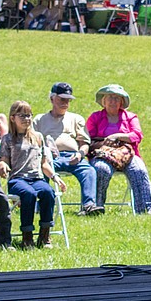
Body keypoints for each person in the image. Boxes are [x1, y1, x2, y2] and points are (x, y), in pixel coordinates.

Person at [0, 100, 65, 248]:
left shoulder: (38, 137)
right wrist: (3, 166)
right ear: (12, 118)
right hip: (17, 179)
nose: (26, 119)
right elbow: (3, 160)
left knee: (47, 192)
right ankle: (27, 236)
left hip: (37, 178)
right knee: (28, 194)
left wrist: (55, 177)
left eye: (29, 115)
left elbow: (44, 164)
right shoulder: (8, 139)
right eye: (22, 115)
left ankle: (45, 235)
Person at [32, 82, 102, 216]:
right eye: (62, 99)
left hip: (73, 157)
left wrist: (80, 154)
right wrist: (45, 153)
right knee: (41, 171)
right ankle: (42, 205)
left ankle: (88, 205)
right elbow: (33, 142)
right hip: (49, 158)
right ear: (52, 99)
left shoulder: (76, 119)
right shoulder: (39, 120)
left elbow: (84, 143)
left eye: (68, 100)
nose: (65, 103)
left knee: (89, 171)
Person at [86, 84, 151, 215]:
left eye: (117, 98)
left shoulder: (130, 117)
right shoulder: (95, 117)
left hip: (127, 154)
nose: (113, 101)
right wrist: (105, 142)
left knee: (139, 170)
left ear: (122, 102)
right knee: (101, 169)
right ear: (104, 101)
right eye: (110, 98)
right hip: (103, 153)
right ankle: (96, 207)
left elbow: (137, 135)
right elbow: (88, 138)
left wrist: (118, 136)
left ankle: (146, 209)